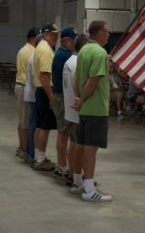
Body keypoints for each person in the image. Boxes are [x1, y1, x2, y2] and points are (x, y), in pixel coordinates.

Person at [72, 20, 112, 202]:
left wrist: (79, 98)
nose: (109, 35)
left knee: (82, 146)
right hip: (96, 108)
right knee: (90, 150)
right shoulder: (99, 52)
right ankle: (89, 189)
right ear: (100, 33)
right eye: (107, 31)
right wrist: (83, 100)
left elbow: (76, 78)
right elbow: (93, 81)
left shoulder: (83, 51)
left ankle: (78, 182)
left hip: (86, 109)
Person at [62, 34, 88, 186]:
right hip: (76, 108)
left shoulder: (69, 61)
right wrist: (81, 99)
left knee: (73, 144)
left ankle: (72, 173)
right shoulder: (78, 62)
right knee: (79, 146)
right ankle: (76, 176)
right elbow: (75, 82)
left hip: (69, 107)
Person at [32, 23, 59, 171]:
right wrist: (51, 96)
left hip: (41, 90)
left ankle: (38, 156)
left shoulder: (41, 48)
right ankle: (41, 160)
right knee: (45, 127)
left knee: (40, 125)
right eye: (54, 35)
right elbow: (44, 76)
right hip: (45, 90)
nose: (56, 38)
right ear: (47, 35)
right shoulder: (45, 50)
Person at [52, 28, 77, 179]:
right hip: (61, 97)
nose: (74, 44)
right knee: (63, 133)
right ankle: (62, 165)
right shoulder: (64, 56)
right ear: (65, 41)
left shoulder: (63, 54)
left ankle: (62, 164)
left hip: (62, 96)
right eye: (73, 41)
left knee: (63, 133)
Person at [14, 28, 37, 158]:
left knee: (22, 120)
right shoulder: (31, 52)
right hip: (24, 87)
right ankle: (24, 149)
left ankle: (21, 146)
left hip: (20, 86)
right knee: (25, 122)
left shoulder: (23, 50)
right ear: (34, 39)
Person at [24, 32, 43, 164]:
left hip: (31, 93)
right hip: (35, 95)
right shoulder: (35, 57)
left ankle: (30, 151)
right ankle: (32, 152)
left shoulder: (32, 56)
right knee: (34, 125)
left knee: (32, 124)